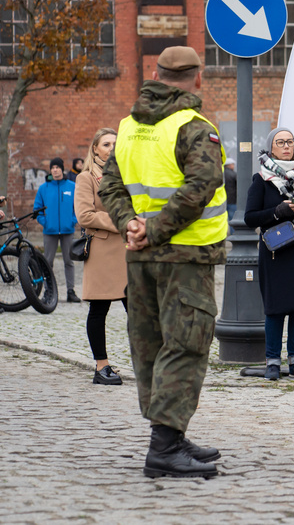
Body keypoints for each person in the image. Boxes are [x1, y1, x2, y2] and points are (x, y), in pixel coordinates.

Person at [99, 46, 226, 479]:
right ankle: (165, 447)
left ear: (154, 74)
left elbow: (111, 187)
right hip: (186, 255)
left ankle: (170, 433)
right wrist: (152, 230)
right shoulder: (194, 127)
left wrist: (130, 225)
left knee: (149, 344)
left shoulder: (128, 127)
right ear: (197, 78)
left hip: (140, 258)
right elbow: (201, 187)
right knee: (186, 345)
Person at [244, 127, 294, 382]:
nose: (287, 146)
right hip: (276, 252)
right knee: (276, 307)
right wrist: (278, 212)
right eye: (281, 142)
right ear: (271, 147)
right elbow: (249, 218)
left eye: (290, 141)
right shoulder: (262, 179)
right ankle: (272, 361)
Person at [74, 128, 127, 385]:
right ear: (95, 148)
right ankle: (101, 366)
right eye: (106, 144)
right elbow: (85, 216)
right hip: (103, 251)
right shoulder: (86, 178)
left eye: (115, 143)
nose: (111, 148)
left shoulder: (128, 175)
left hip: (129, 252)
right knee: (99, 309)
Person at [34, 157, 80, 302]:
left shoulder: (72, 186)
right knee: (48, 262)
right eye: (53, 167)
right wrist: (45, 222)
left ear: (62, 169)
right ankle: (48, 292)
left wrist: (72, 222)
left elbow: (78, 207)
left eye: (57, 167)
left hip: (68, 231)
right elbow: (37, 210)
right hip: (50, 231)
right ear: (50, 170)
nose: (55, 170)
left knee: (69, 261)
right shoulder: (44, 188)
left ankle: (70, 292)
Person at [224, 157, 237, 229]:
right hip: (232, 200)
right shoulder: (233, 174)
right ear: (229, 165)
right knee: (232, 218)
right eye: (233, 164)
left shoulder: (220, 174)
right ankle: (233, 232)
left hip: (222, 200)